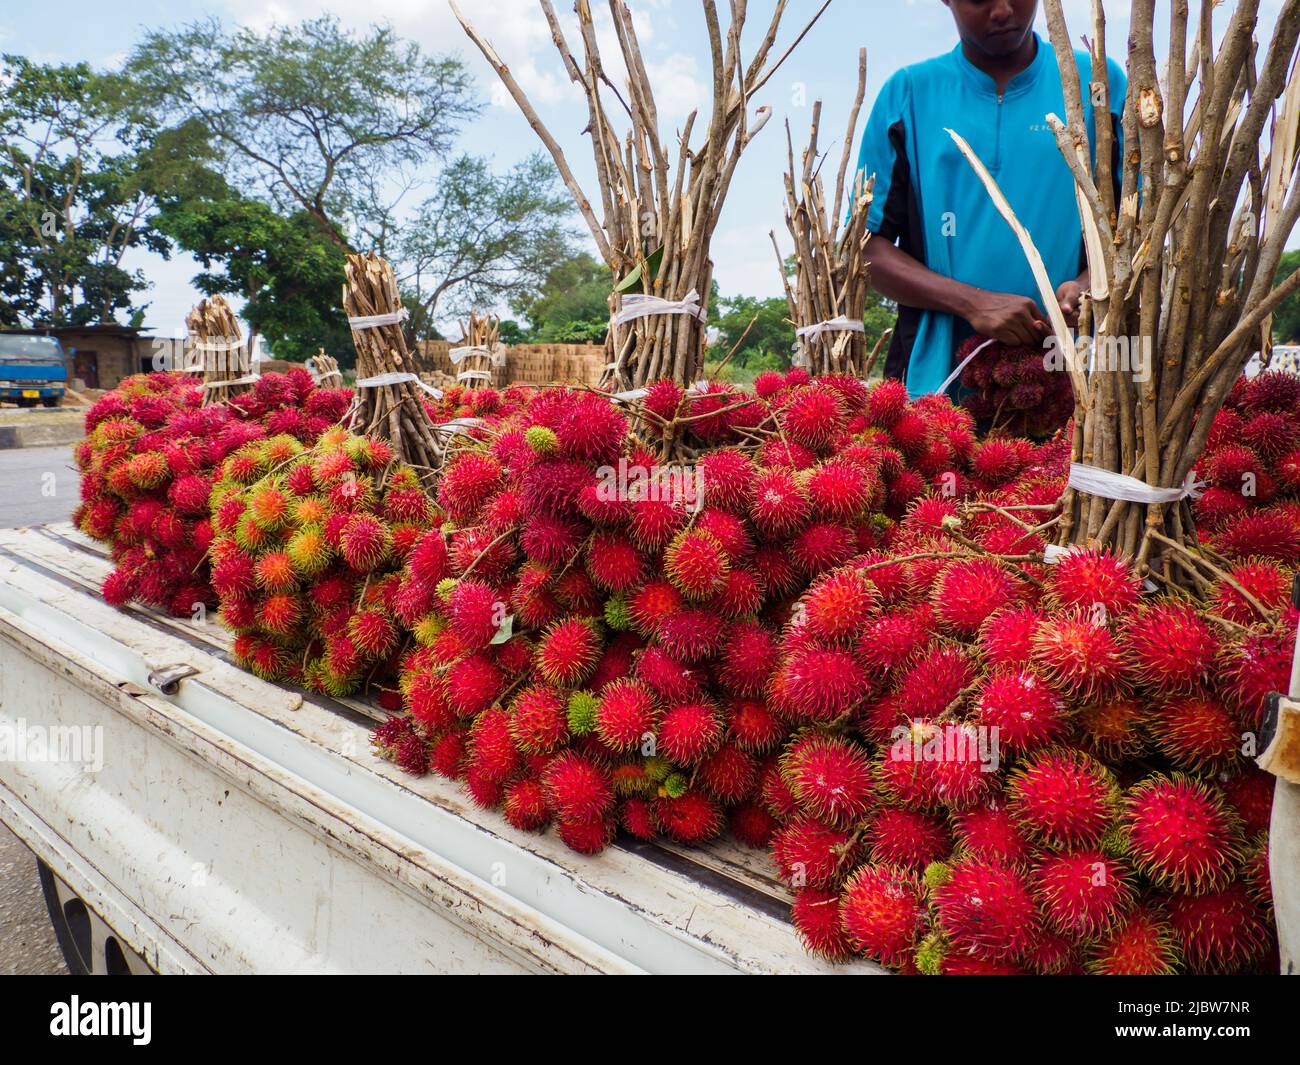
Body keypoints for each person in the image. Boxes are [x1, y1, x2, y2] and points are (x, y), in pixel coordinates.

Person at [855, 0, 1126, 395]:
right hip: (935, 386)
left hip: (1075, 381)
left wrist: (1088, 284)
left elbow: (1137, 230)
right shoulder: (909, 95)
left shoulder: (1099, 87)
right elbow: (864, 250)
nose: (1002, 11)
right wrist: (972, 302)